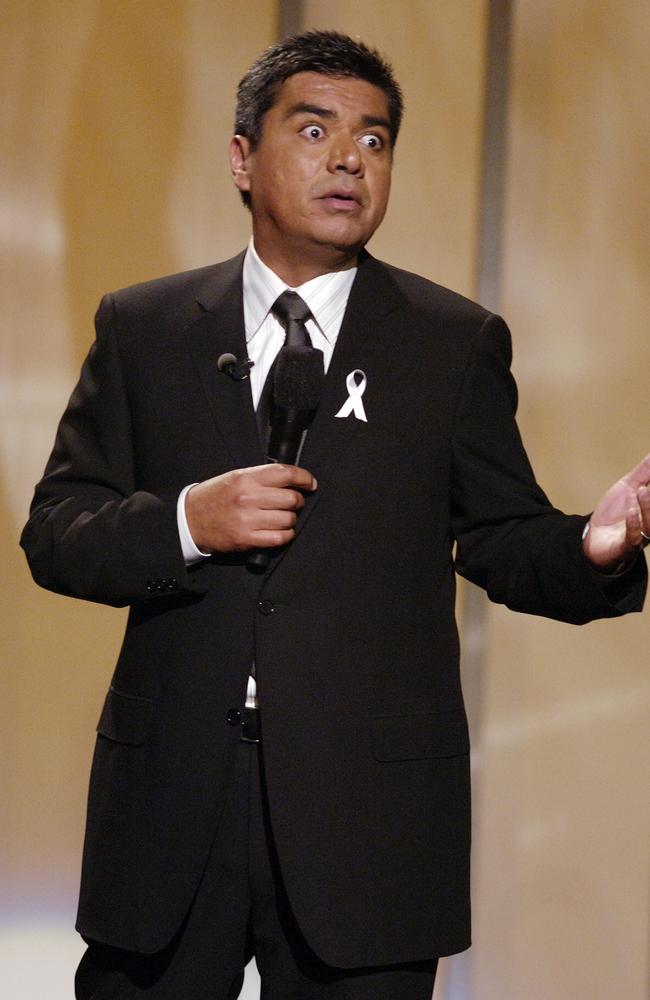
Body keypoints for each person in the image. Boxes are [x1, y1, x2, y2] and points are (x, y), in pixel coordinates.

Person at [21, 30, 649, 1000]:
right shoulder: (142, 329)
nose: (349, 158)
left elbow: (498, 536)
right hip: (171, 811)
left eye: (375, 138)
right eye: (313, 130)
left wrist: (590, 544)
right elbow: (57, 529)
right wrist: (188, 520)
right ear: (241, 157)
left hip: (367, 821)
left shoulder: (449, 343)